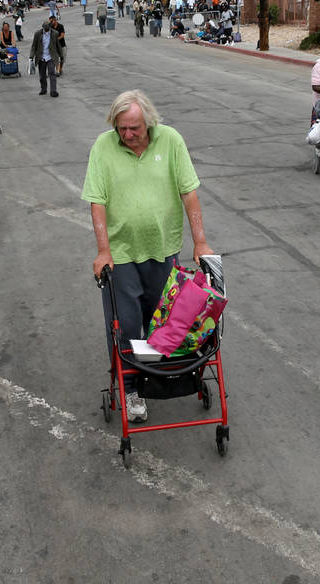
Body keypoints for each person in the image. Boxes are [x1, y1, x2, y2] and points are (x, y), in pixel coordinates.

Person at [81, 90, 213, 424]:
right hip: (122, 256)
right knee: (126, 328)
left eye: (134, 128)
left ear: (149, 123)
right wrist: (103, 250)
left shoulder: (170, 141)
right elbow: (97, 201)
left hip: (163, 250)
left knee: (165, 325)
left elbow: (189, 193)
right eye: (121, 128)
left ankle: (162, 379)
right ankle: (130, 390)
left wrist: (200, 243)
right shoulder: (103, 146)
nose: (127, 135)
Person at [31, 18, 63, 97]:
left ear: (50, 26)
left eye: (48, 27)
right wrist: (31, 56)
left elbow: (58, 45)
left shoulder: (55, 33)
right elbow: (34, 46)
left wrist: (61, 55)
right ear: (43, 27)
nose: (46, 28)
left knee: (52, 73)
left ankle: (53, 91)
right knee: (42, 76)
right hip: (41, 57)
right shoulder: (38, 34)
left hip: (51, 57)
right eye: (45, 27)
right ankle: (43, 89)